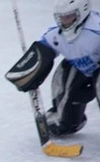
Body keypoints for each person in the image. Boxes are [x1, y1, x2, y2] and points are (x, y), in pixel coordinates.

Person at [5, 0, 100, 135]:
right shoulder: (54, 33)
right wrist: (26, 75)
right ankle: (67, 121)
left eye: (69, 16)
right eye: (61, 17)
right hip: (78, 69)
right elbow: (40, 55)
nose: (64, 21)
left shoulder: (96, 28)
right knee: (64, 121)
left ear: (83, 11)